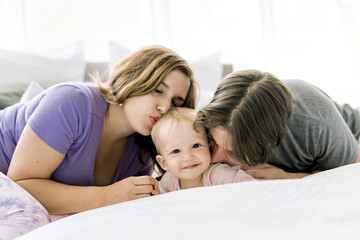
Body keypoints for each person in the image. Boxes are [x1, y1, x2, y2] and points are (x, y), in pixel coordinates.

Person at [0, 45, 198, 215]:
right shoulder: (72, 102)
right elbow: (20, 188)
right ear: (133, 79)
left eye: (175, 103)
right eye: (158, 90)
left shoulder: (142, 151)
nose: (164, 107)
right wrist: (107, 196)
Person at [195, 69, 360, 180]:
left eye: (233, 151)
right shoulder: (204, 116)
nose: (214, 158)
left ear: (267, 141)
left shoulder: (313, 121)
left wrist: (288, 177)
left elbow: (350, 171)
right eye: (211, 143)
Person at [151, 107, 255, 193]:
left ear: (209, 147)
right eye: (176, 151)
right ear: (164, 163)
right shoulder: (169, 181)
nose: (188, 157)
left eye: (196, 146)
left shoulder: (218, 174)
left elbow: (254, 189)